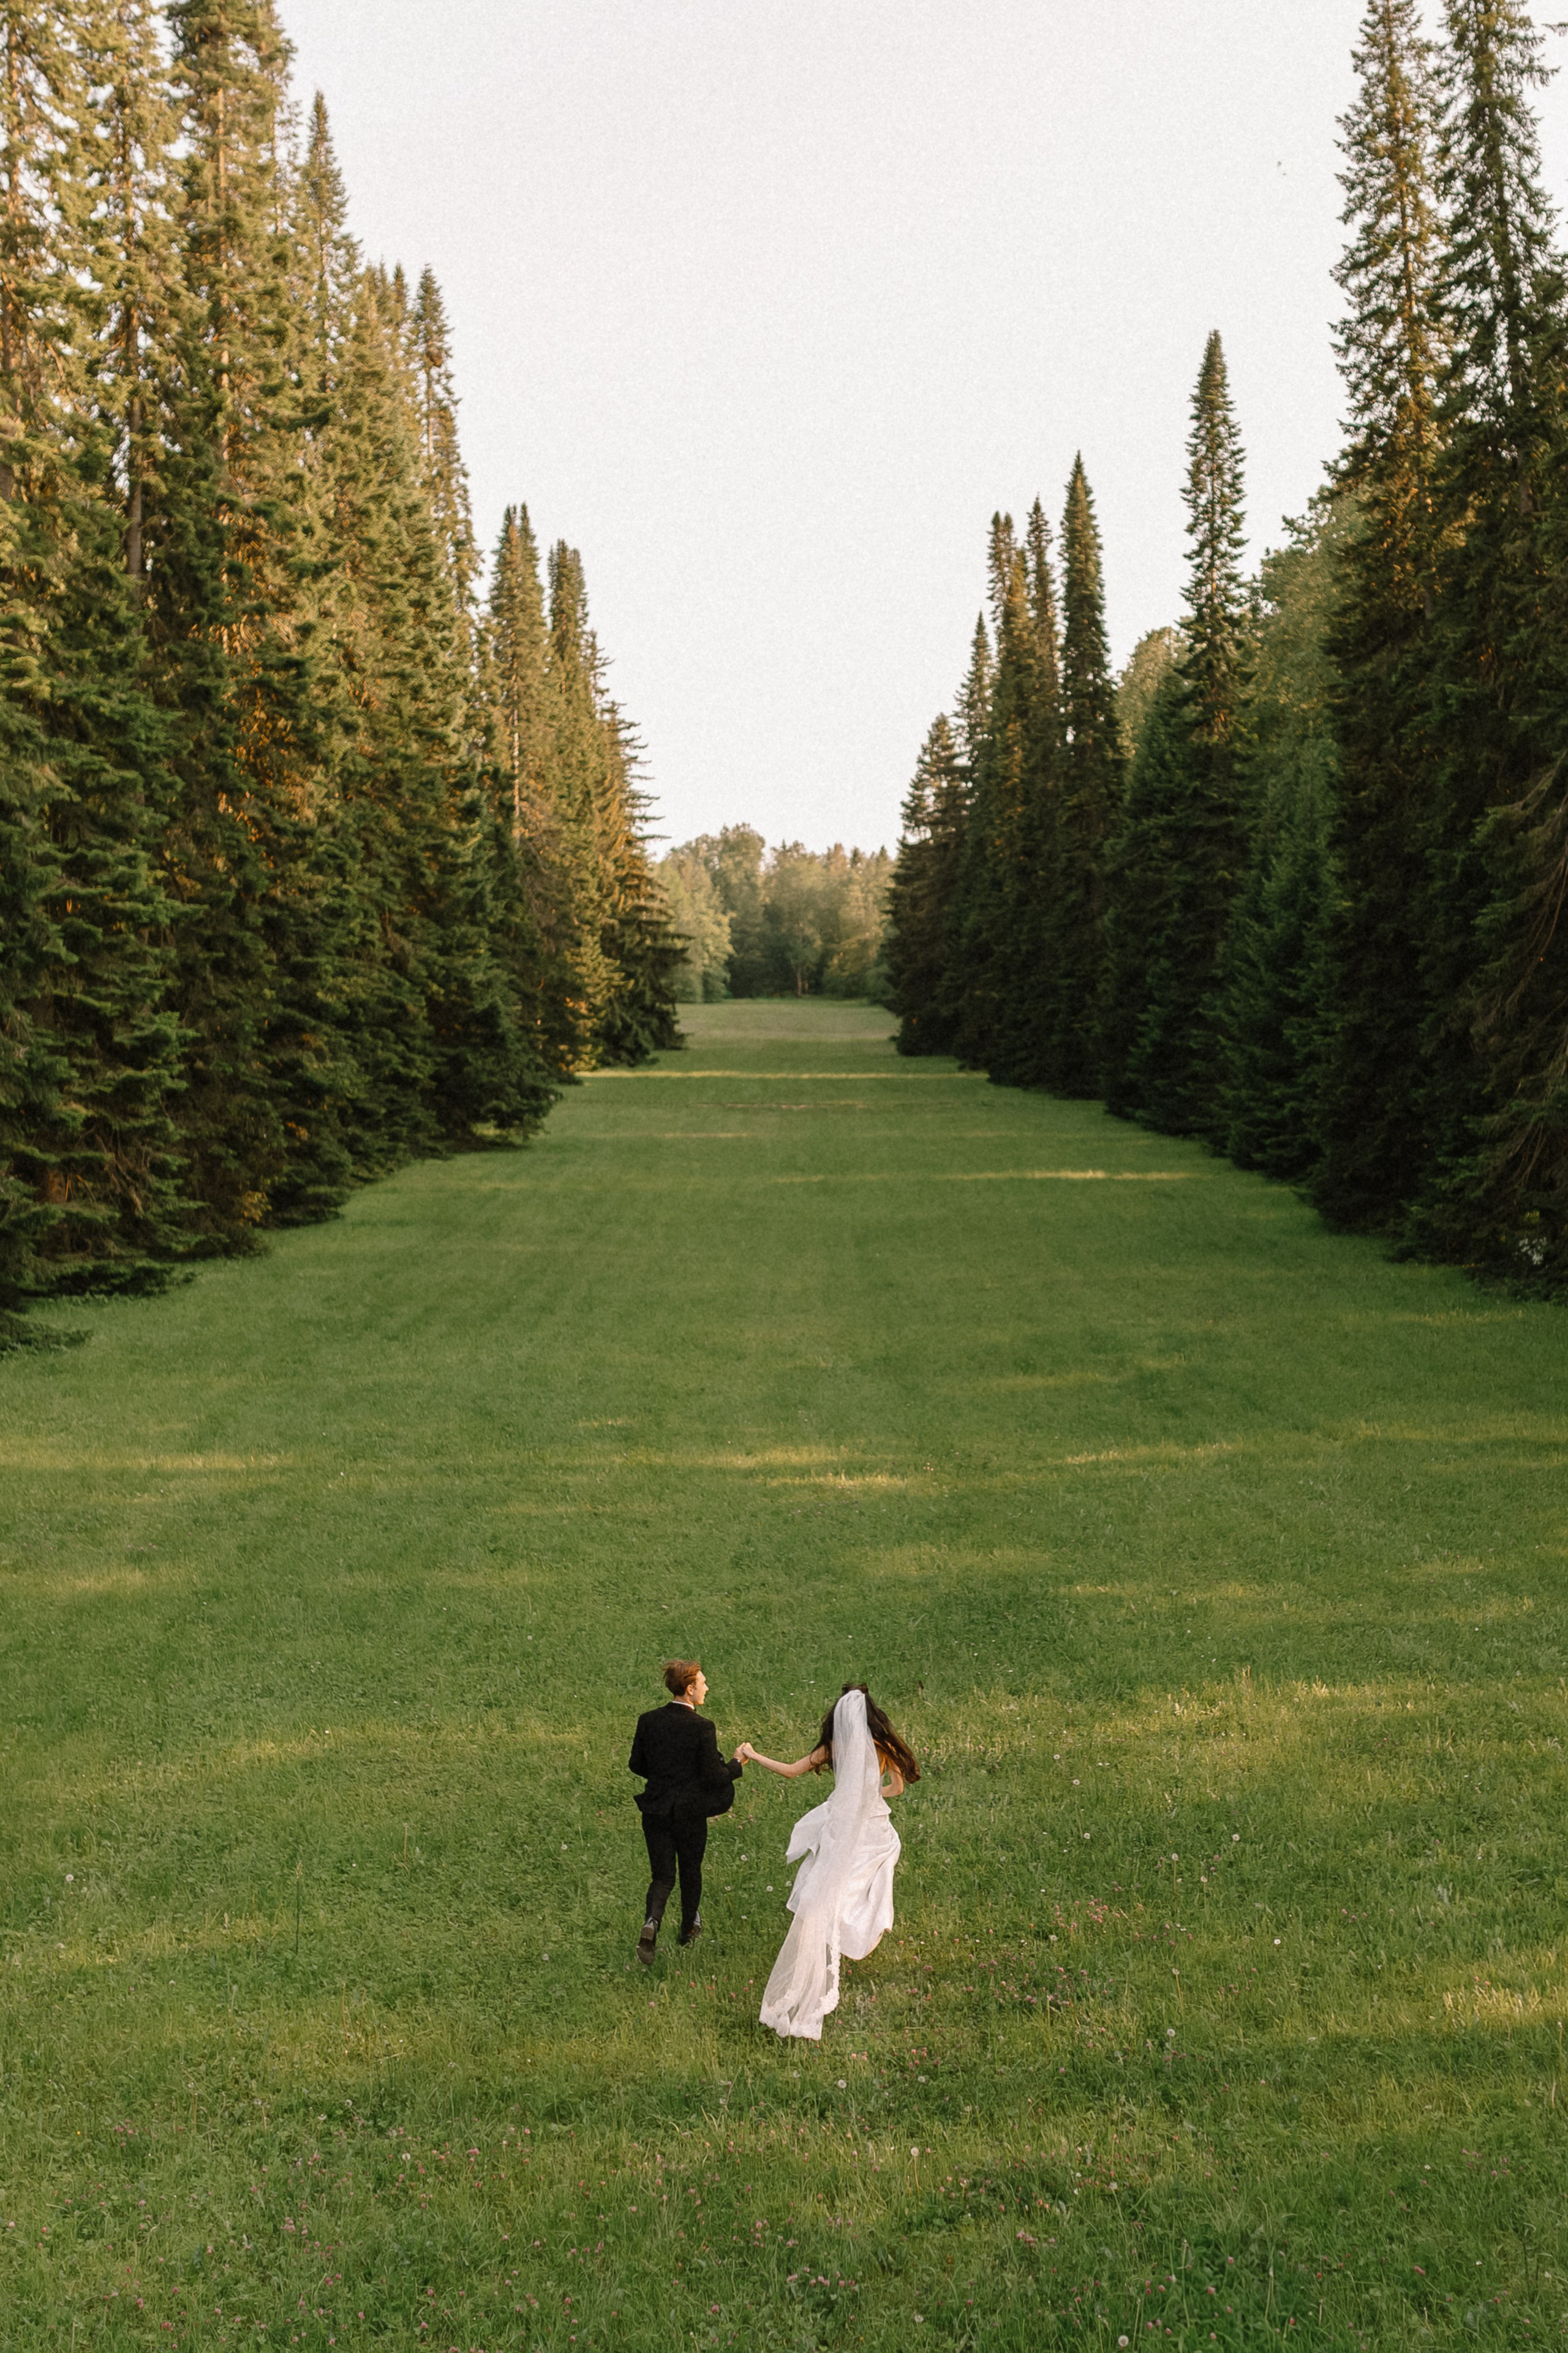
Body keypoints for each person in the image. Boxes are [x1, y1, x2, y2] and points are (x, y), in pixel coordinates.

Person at [739, 1683, 919, 2042]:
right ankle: (857, 1930)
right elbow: (897, 1789)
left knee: (824, 1885)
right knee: (858, 1885)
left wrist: (754, 1754)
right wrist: (868, 1794)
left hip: (840, 1824)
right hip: (872, 1827)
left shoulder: (833, 1747)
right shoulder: (882, 1746)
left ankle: (824, 1939)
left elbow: (791, 1771)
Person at [628, 1660, 744, 1965]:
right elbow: (712, 1777)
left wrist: (664, 1774)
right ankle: (688, 1929)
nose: (707, 1688)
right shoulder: (702, 1727)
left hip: (655, 1810)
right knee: (690, 1870)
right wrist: (735, 1765)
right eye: (703, 1684)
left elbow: (636, 1765)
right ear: (690, 1690)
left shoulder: (648, 1720)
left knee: (662, 1876)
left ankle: (652, 1922)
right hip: (690, 1814)